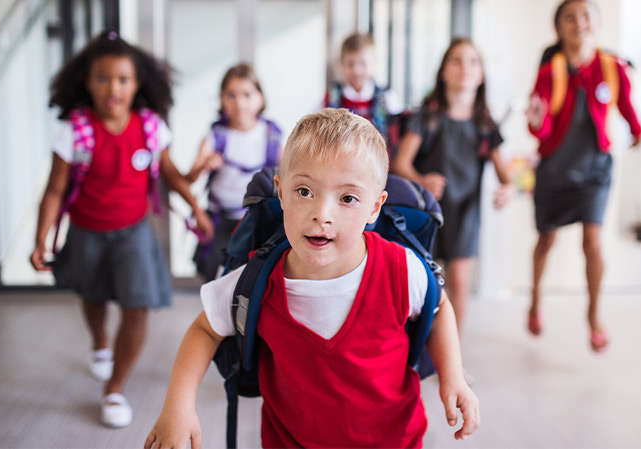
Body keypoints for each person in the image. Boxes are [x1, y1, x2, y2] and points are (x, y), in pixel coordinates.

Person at [144, 108, 479, 448]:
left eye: (347, 198)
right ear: (281, 191)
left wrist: (452, 376)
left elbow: (439, 309)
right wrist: (178, 405)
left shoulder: (401, 269)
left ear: (374, 208)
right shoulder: (257, 280)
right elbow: (205, 329)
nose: (322, 214)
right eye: (304, 191)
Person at [29, 31, 213, 428]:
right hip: (86, 232)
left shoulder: (150, 128)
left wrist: (196, 207)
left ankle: (114, 388)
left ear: (137, 84)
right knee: (93, 297)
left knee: (137, 306)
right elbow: (54, 191)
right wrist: (41, 239)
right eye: (103, 78)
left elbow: (170, 175)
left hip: (133, 232)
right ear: (87, 82)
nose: (113, 88)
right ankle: (99, 341)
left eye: (123, 79)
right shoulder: (74, 131)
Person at [525, 0, 641, 352]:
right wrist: (535, 121)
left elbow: (625, 105)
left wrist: (638, 131)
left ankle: (593, 315)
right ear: (559, 29)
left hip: (596, 170)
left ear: (598, 23)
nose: (580, 23)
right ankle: (535, 300)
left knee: (592, 241)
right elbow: (542, 128)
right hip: (555, 172)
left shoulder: (612, 67)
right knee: (546, 241)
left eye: (586, 15)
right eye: (570, 17)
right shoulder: (551, 71)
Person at [393, 38, 514, 339]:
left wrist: (508, 189)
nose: (465, 68)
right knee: (423, 281)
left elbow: (505, 174)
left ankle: (452, 354)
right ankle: (414, 345)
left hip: (466, 210)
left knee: (459, 281)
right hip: (427, 212)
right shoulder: (428, 117)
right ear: (444, 72)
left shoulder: (485, 124)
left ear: (482, 74)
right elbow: (401, 163)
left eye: (473, 61)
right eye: (456, 60)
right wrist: (422, 180)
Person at [186, 63, 282, 281]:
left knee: (255, 278)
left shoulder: (272, 136)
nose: (239, 102)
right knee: (214, 281)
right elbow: (188, 178)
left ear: (261, 98)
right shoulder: (215, 136)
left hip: (258, 221)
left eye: (247, 94)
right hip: (220, 220)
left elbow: (289, 176)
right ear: (222, 99)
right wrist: (204, 164)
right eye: (232, 95)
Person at [324, 32, 404, 151]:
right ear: (342, 64)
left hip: (378, 162)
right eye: (350, 64)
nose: (357, 70)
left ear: (374, 64)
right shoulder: (331, 97)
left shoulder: (387, 97)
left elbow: (399, 135)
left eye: (363, 64)